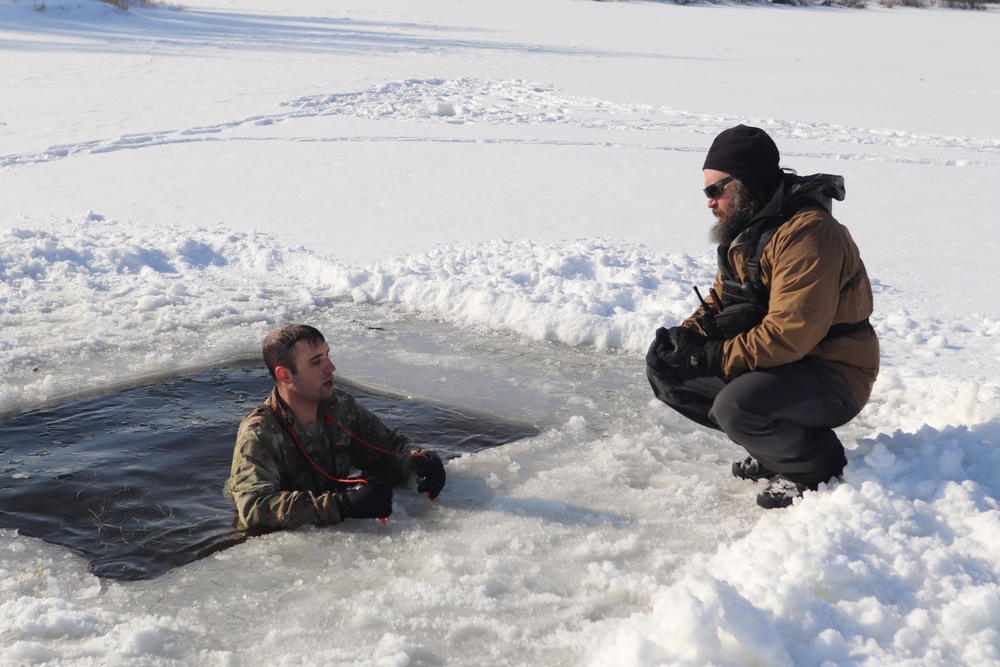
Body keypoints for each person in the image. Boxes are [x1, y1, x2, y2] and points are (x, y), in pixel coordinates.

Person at [646, 125, 879, 509]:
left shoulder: (808, 235)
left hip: (833, 374)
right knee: (668, 372)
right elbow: (723, 297)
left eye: (715, 189)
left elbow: (791, 332)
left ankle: (815, 465)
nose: (709, 201)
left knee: (736, 406)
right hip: (788, 366)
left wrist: (712, 357)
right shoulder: (750, 231)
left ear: (747, 181)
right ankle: (777, 449)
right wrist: (684, 341)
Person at [224, 324, 446, 529]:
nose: (331, 368)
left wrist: (422, 460)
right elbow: (254, 509)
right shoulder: (259, 432)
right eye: (316, 362)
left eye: (327, 356)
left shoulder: (338, 406)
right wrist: (341, 505)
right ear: (285, 374)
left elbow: (388, 444)